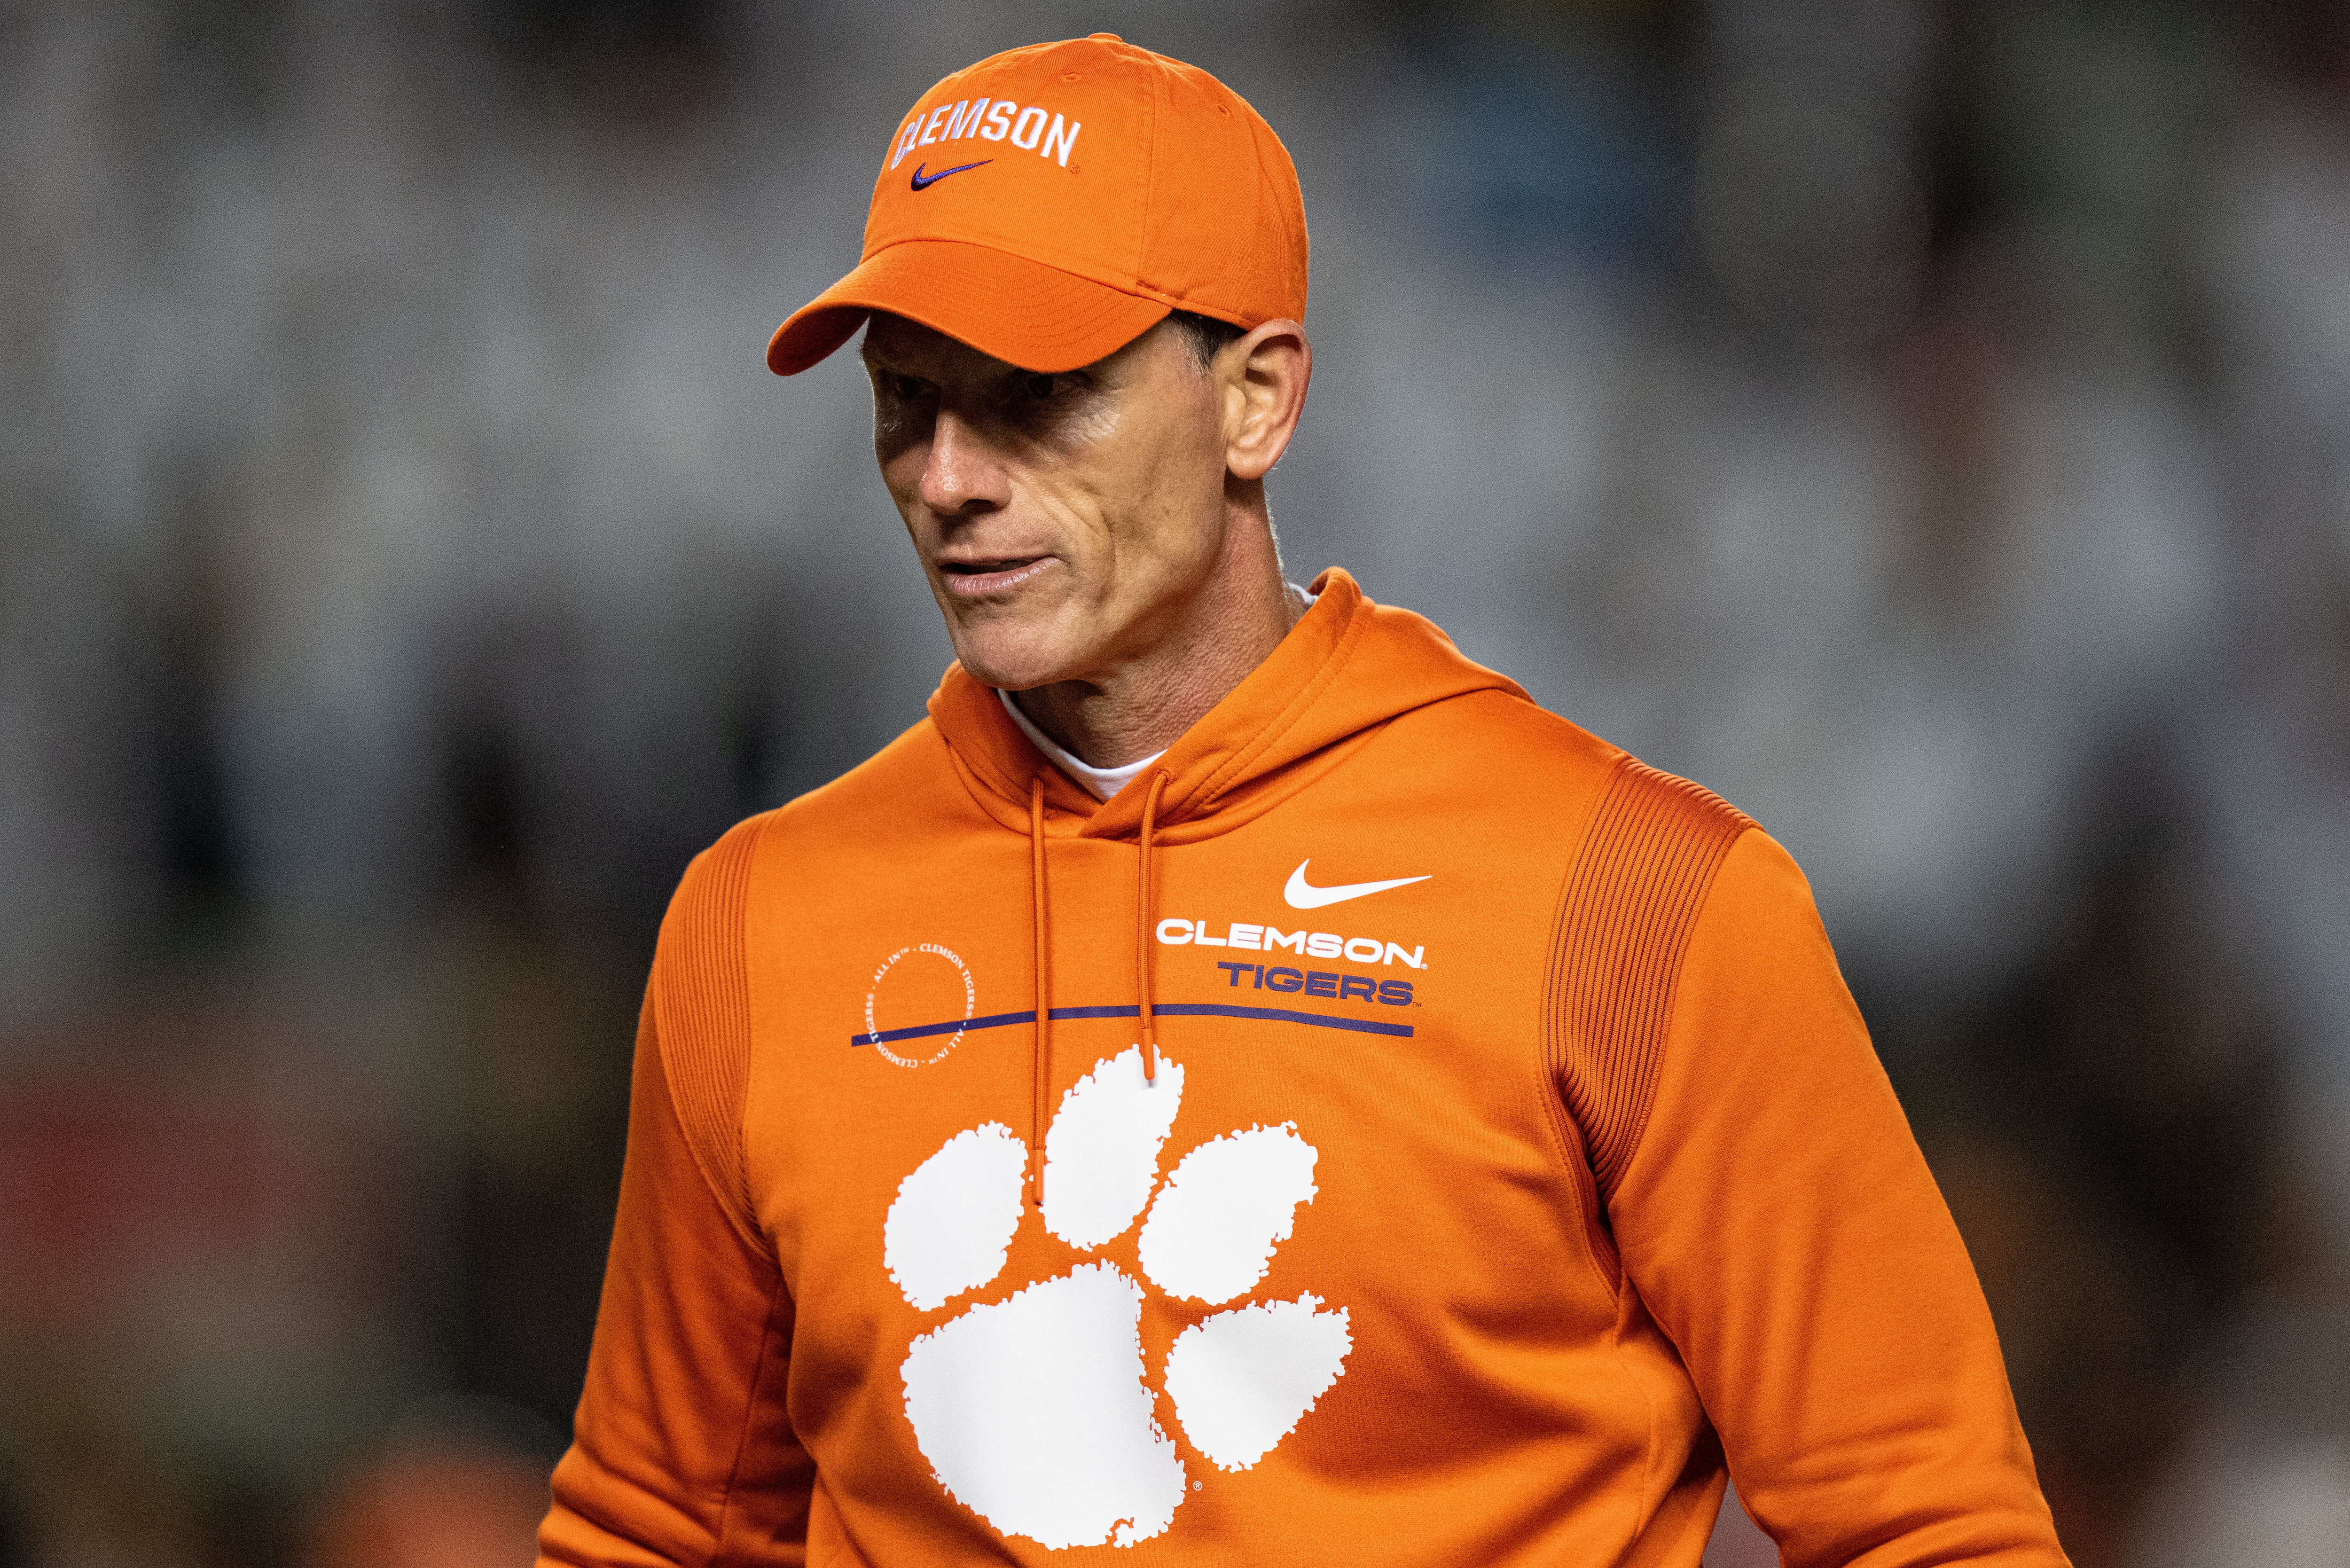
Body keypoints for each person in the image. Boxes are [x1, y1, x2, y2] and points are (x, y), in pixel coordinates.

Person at [538, 34, 2069, 1568]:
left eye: (1036, 400)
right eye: (908, 401)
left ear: (1256, 402)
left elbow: (1930, 1527)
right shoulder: (760, 925)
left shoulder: (1638, 906)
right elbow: (654, 1530)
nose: (949, 476)